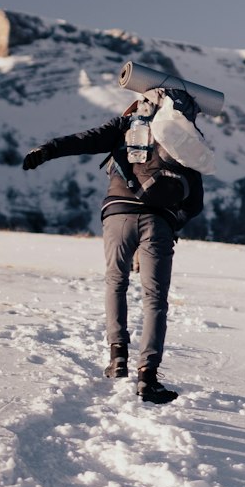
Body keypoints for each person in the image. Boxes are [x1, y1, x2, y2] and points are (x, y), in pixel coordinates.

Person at [22, 88, 206, 402]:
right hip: (159, 222)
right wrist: (171, 222)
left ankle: (117, 356)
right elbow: (195, 202)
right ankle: (148, 376)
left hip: (118, 213)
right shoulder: (186, 139)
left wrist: (47, 150)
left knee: (116, 281)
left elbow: (83, 140)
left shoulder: (126, 126)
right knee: (155, 299)